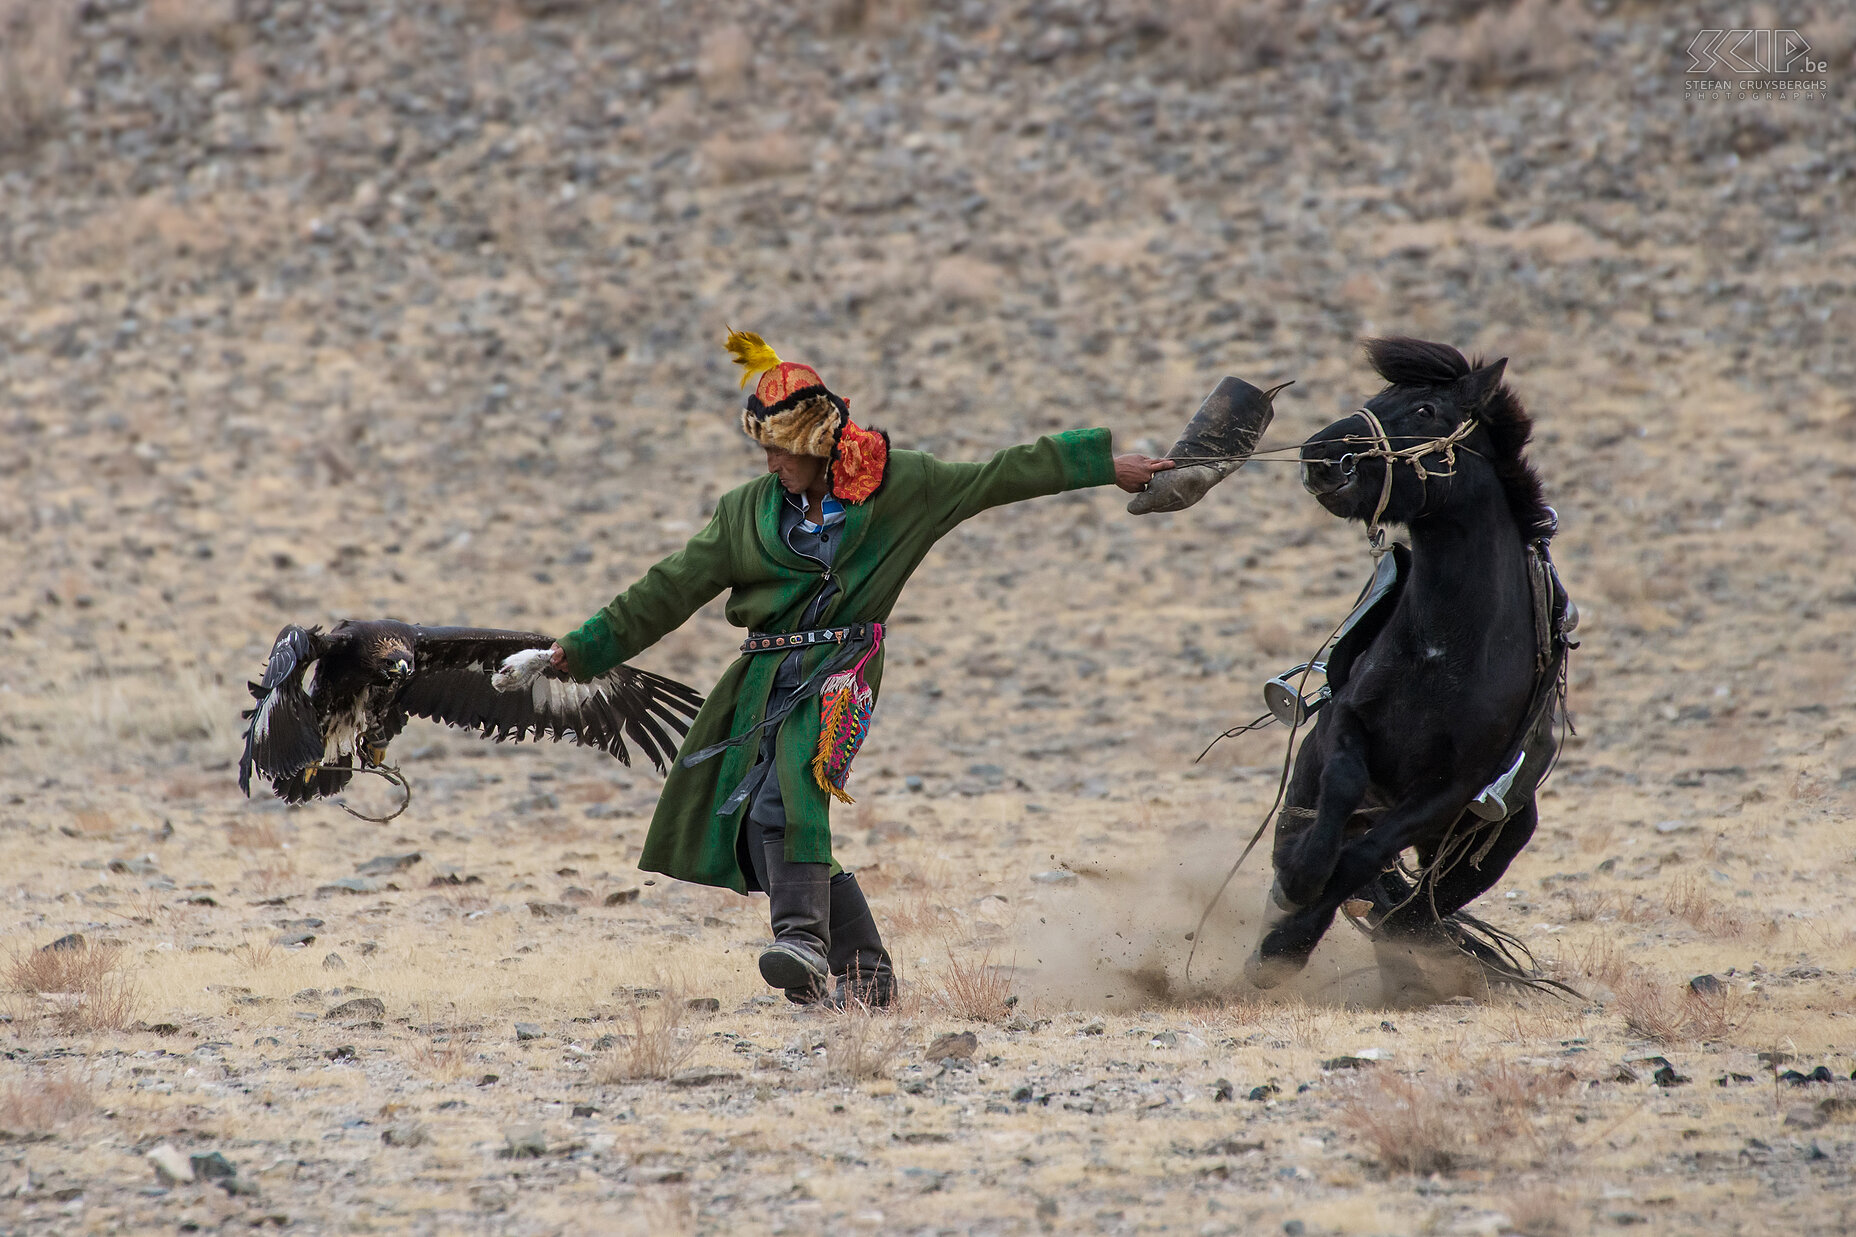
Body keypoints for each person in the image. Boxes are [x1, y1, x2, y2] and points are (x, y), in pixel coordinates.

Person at [548, 330, 1173, 1008]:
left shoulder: (904, 486)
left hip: (846, 672)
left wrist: (1104, 465)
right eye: (764, 448)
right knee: (753, 829)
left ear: (816, 443)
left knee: (788, 795)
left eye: (781, 449)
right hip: (761, 681)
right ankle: (870, 978)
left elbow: (1001, 473)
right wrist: (575, 651)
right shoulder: (741, 513)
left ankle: (804, 943)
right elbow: (665, 590)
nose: (770, 461)